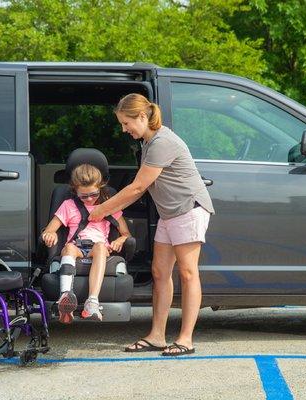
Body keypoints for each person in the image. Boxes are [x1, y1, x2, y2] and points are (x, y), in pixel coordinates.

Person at [88, 93, 214, 356]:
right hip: (169, 214)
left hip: (188, 209)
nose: (124, 130)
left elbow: (137, 188)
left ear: (142, 117)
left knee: (188, 273)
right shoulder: (148, 142)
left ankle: (186, 339)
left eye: (126, 123)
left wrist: (101, 210)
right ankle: (157, 335)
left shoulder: (162, 142)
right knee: (159, 273)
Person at [42, 163, 130, 323]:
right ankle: (65, 297)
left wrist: (120, 239)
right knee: (68, 247)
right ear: (75, 190)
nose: (89, 199)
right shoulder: (68, 205)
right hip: (76, 246)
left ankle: (92, 302)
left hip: (98, 248)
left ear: (101, 187)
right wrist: (50, 235)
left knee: (101, 247)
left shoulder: (108, 204)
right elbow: (49, 230)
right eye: (84, 196)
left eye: (94, 194)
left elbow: (126, 233)